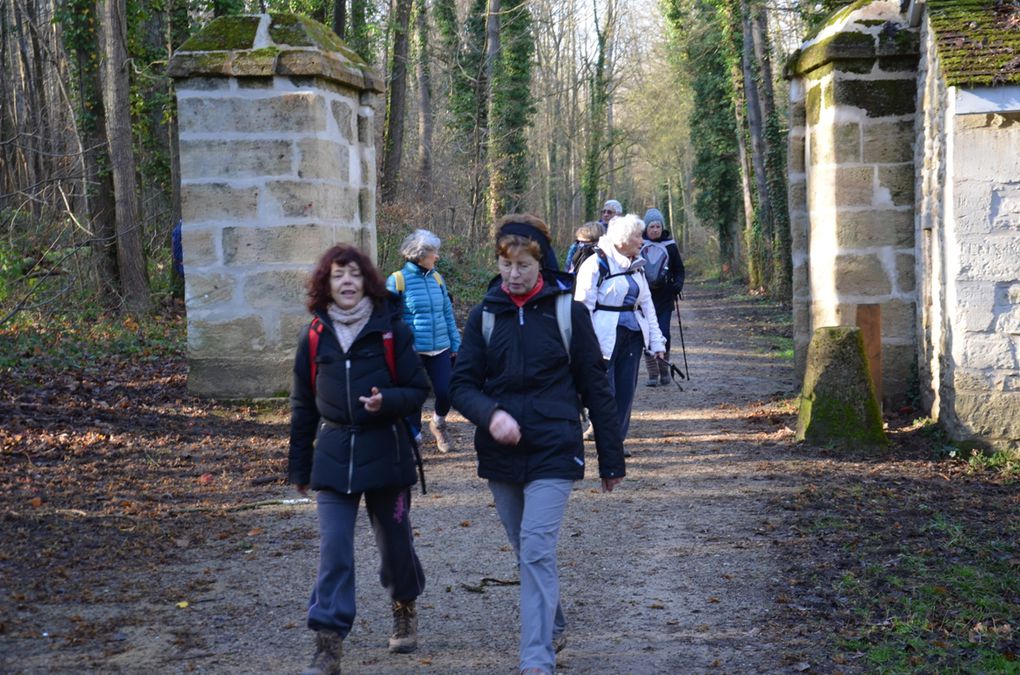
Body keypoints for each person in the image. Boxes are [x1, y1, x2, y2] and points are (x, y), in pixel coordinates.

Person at [450, 214, 626, 675]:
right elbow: (460, 385)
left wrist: (612, 457)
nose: (513, 275)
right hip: (500, 453)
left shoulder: (569, 311)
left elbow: (596, 387)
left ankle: (536, 660)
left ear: (541, 264)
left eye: (523, 265)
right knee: (524, 546)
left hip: (554, 447)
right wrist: (491, 416)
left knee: (536, 547)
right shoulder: (485, 314)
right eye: (506, 265)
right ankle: (554, 621)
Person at [289, 244, 430, 675]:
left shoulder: (391, 331)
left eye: (353, 274)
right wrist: (299, 466)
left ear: (366, 280)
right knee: (334, 550)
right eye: (337, 276)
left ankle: (403, 604)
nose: (346, 282)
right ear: (326, 285)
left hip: (385, 451)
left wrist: (386, 401)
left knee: (395, 547)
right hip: (333, 455)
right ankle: (328, 641)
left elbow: (417, 389)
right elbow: (302, 406)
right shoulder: (314, 336)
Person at [573, 213, 666, 455]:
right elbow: (581, 308)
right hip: (601, 340)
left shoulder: (637, 266)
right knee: (605, 392)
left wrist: (657, 342)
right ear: (623, 239)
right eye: (637, 236)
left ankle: (615, 442)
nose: (642, 240)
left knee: (625, 392)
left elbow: (647, 306)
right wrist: (583, 344)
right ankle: (605, 436)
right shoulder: (595, 264)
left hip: (632, 337)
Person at [386, 229, 461, 452]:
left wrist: (455, 344)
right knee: (413, 397)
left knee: (447, 391)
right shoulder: (397, 280)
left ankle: (438, 423)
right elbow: (388, 319)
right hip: (412, 351)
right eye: (433, 253)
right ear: (420, 255)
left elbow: (447, 312)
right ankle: (413, 436)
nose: (437, 257)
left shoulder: (437, 278)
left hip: (441, 348)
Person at [640, 207, 686, 387]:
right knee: (646, 335)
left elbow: (679, 270)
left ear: (662, 227)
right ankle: (652, 374)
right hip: (644, 298)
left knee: (664, 333)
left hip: (665, 298)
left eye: (657, 226)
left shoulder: (670, 246)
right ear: (646, 228)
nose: (654, 230)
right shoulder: (639, 245)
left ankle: (664, 369)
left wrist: (677, 285)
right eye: (651, 226)